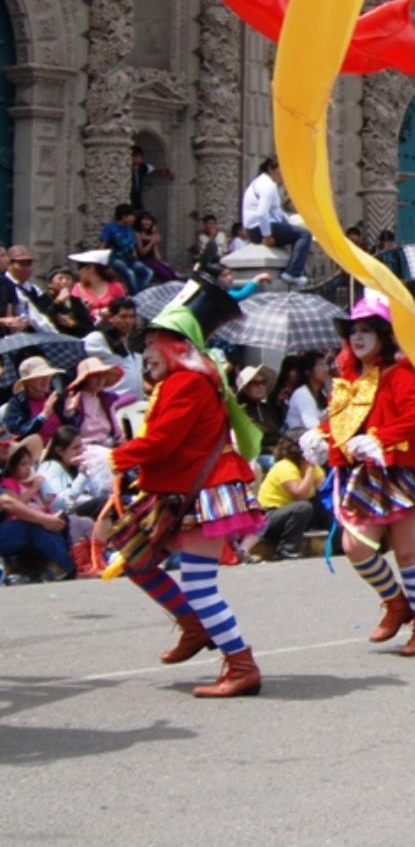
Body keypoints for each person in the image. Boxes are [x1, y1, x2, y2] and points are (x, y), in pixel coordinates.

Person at [89, 277, 265, 695]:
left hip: (204, 495)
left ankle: (241, 665)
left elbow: (164, 440)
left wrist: (115, 458)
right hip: (176, 492)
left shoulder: (186, 383)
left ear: (176, 346)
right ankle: (193, 626)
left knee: (200, 585)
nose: (146, 353)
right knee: (133, 559)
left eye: (153, 343)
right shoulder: (175, 381)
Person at [299, 295, 415, 656]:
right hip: (364, 476)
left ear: (383, 335)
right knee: (355, 546)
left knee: (409, 553)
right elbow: (342, 424)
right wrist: (320, 437)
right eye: (353, 331)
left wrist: (379, 438)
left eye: (367, 330)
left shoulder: (399, 374)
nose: (358, 337)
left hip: (404, 471)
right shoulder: (347, 380)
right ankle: (397, 603)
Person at [0, 433, 74, 582]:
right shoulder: (8, 482)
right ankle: (69, 569)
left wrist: (48, 518)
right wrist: (44, 519)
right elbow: (7, 503)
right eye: (5, 444)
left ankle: (69, 564)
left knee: (57, 524)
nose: (8, 447)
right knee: (33, 525)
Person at [241, 158, 313, 286]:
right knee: (304, 235)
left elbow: (277, 213)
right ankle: (293, 273)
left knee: (297, 230)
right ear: (271, 169)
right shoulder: (267, 185)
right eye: (281, 169)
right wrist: (267, 236)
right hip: (259, 228)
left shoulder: (263, 183)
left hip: (257, 227)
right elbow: (262, 213)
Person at [38, 425, 111, 550]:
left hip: (78, 506)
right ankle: (104, 548)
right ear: (60, 451)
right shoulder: (49, 468)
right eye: (75, 448)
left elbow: (93, 493)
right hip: (63, 514)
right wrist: (82, 476)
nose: (80, 451)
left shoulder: (73, 467)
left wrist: (88, 472)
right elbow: (59, 503)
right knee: (105, 501)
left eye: (81, 446)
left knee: (110, 498)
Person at [257, 435, 324, 560]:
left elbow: (325, 488)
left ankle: (337, 543)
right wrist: (309, 471)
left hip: (291, 515)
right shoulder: (284, 466)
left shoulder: (309, 465)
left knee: (325, 504)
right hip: (268, 516)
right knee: (303, 507)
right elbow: (300, 494)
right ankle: (286, 549)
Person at [57, 357, 131, 450]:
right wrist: (69, 412)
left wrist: (115, 405)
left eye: (103, 375)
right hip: (85, 449)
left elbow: (132, 396)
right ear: (85, 378)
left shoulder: (105, 398)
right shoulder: (74, 399)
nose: (100, 380)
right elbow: (68, 426)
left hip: (108, 446)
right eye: (95, 376)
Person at [83, 296, 144, 400]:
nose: (128, 321)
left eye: (131, 316)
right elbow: (80, 352)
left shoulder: (135, 342)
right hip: (112, 403)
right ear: (111, 317)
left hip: (135, 404)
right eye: (123, 316)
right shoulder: (98, 339)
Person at [3, 356, 67, 439]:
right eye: (40, 377)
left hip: (62, 448)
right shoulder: (17, 404)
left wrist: (69, 413)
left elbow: (70, 430)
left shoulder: (55, 397)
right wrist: (44, 415)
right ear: (27, 382)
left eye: (48, 375)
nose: (46, 379)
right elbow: (20, 432)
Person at [99, 203, 151, 292]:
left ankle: (137, 292)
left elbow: (133, 247)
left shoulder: (129, 228)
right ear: (124, 216)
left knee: (148, 273)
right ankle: (135, 295)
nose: (133, 219)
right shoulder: (109, 228)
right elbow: (101, 246)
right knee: (130, 274)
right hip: (115, 259)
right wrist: (103, 265)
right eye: (131, 216)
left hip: (130, 258)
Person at [235, 365, 285, 458]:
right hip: (257, 457)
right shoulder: (241, 411)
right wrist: (270, 450)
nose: (260, 387)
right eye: (255, 383)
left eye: (263, 382)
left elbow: (277, 432)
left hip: (277, 451)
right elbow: (246, 444)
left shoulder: (266, 409)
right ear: (245, 388)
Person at [282, 352, 330, 434]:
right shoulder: (302, 394)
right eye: (320, 365)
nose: (325, 369)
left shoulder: (322, 392)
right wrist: (332, 412)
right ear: (307, 371)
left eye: (325, 364)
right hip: (299, 440)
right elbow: (312, 426)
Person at [42, 266, 97, 337]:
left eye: (68, 279)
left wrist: (73, 324)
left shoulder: (76, 301)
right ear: (50, 284)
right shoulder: (45, 298)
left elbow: (89, 328)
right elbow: (45, 318)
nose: (65, 281)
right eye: (60, 278)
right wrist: (59, 301)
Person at [70, 250, 126, 317]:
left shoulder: (116, 287)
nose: (78, 271)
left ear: (91, 268)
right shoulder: (77, 288)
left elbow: (124, 309)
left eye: (80, 267)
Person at [134, 212, 178, 283]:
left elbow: (156, 253)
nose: (147, 222)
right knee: (166, 276)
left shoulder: (152, 234)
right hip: (143, 260)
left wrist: (161, 262)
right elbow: (142, 253)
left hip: (153, 260)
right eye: (144, 220)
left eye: (149, 220)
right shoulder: (137, 233)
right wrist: (152, 241)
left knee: (172, 274)